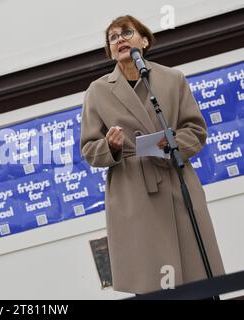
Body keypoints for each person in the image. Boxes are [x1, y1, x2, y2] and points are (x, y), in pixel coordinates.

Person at [80, 15, 225, 295]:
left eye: (127, 32)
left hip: (174, 180)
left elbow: (195, 129)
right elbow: (88, 149)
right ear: (110, 51)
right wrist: (111, 147)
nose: (119, 39)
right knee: (151, 280)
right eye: (113, 37)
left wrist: (169, 143)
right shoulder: (97, 92)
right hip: (133, 192)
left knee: (196, 274)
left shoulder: (172, 79)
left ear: (144, 41)